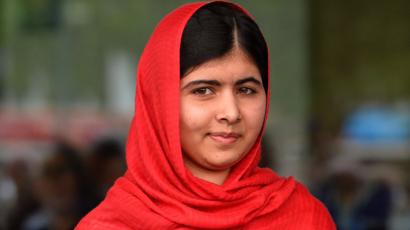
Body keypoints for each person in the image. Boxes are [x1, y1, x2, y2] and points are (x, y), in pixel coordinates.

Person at [76, 1, 335, 229]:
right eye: (203, 90)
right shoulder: (111, 225)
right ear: (159, 103)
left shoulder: (303, 218)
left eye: (246, 90)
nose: (231, 113)